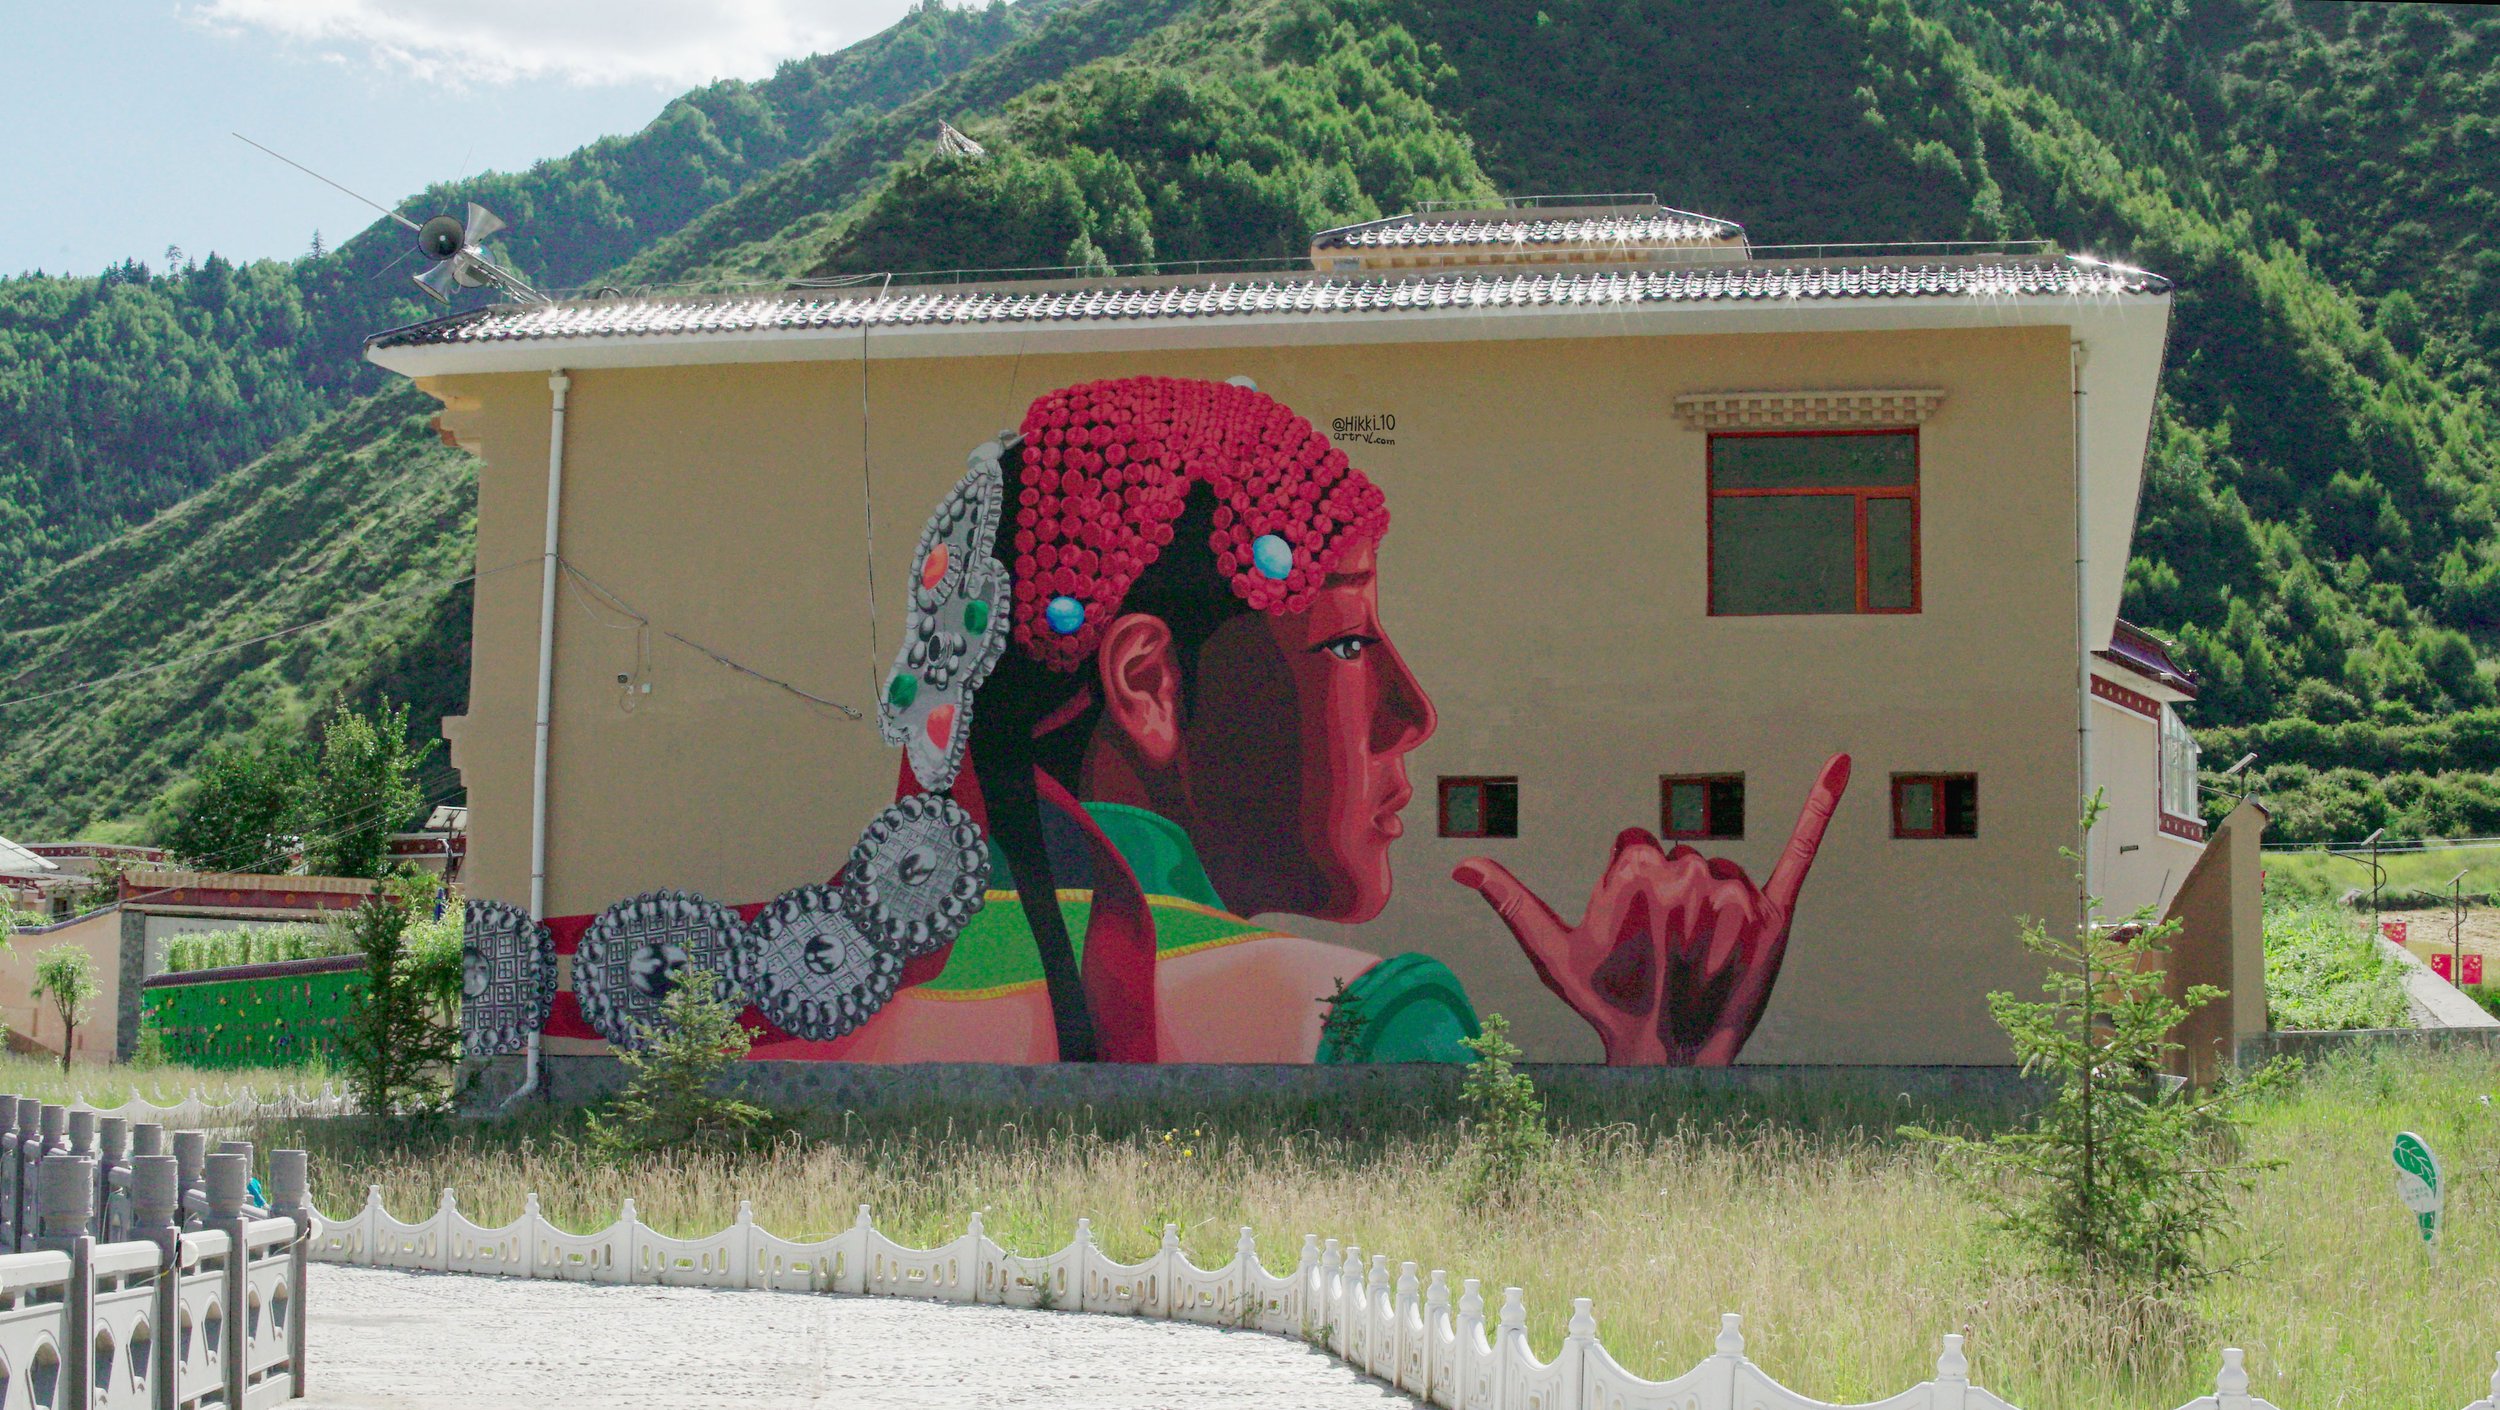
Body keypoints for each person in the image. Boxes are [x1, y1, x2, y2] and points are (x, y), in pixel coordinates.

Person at [804, 375, 1848, 1066]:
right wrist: (1657, 1070)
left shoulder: (811, 994)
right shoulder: (1371, 1021)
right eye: (1347, 642)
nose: (1411, 708)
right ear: (1149, 687)